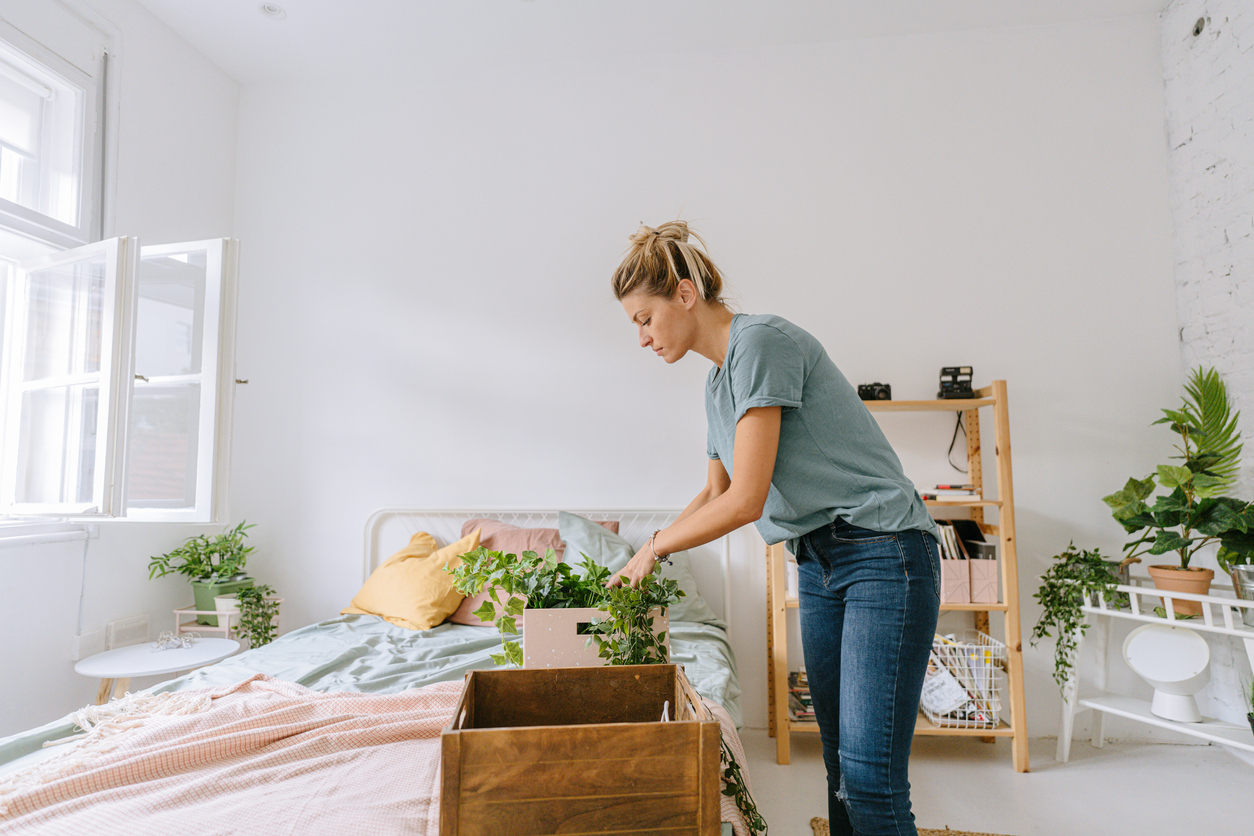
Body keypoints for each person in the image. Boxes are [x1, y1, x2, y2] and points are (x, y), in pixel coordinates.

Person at [608, 221, 942, 836]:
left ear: (684, 295)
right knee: (840, 768)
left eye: (644, 319)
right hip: (817, 561)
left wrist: (656, 548)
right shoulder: (716, 385)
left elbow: (745, 499)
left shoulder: (760, 342)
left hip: (883, 551)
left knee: (870, 778)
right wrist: (639, 555)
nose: (643, 338)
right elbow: (711, 492)